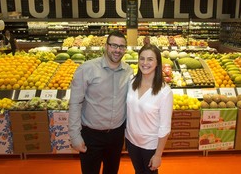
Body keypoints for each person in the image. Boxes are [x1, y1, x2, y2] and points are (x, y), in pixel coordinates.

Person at [69, 31, 133, 174]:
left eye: (122, 47)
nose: (117, 50)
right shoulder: (86, 69)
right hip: (91, 136)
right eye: (114, 45)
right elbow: (75, 103)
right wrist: (74, 135)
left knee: (112, 171)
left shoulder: (128, 72)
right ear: (106, 46)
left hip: (116, 136)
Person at [125, 44, 173, 174]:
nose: (145, 63)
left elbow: (165, 127)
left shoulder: (164, 92)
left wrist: (158, 154)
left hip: (150, 145)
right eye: (142, 58)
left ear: (157, 63)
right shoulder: (131, 82)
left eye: (150, 59)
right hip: (131, 141)